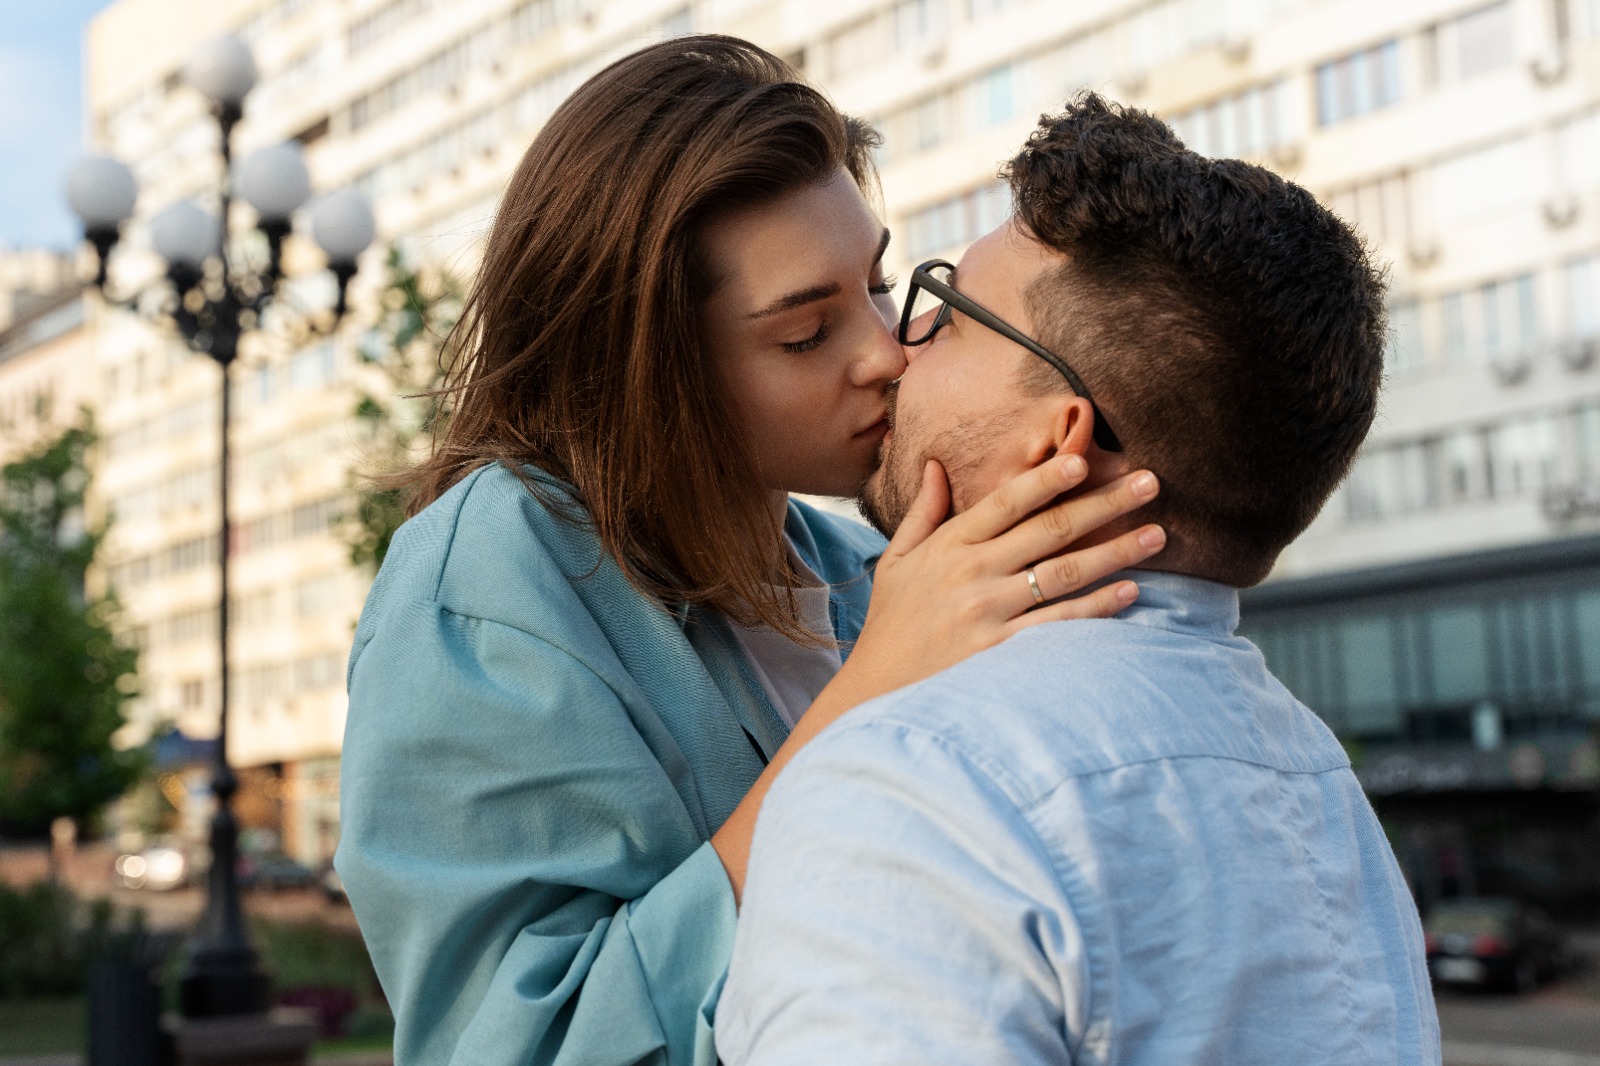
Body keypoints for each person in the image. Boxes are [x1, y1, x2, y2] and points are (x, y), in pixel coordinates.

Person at [335, 41, 1166, 1066]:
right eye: (804, 333)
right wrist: (862, 703)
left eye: (874, 285)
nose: (886, 352)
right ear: (643, 363)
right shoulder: (484, 584)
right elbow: (523, 1045)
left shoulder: (869, 573)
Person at [717, 94, 1441, 1065]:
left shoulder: (905, 784)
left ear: (1056, 439)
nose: (893, 351)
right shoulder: (1319, 787)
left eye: (947, 313)